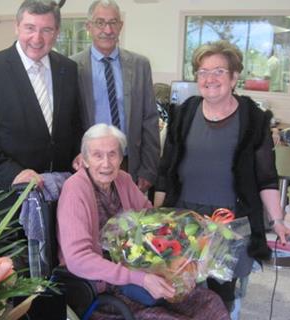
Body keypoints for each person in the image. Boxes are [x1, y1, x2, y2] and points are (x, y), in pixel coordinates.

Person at [154, 40, 290, 312]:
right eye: (203, 72)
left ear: (234, 76)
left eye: (218, 71)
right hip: (184, 218)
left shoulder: (253, 118)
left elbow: (266, 177)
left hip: (228, 222)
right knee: (178, 292)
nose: (209, 78)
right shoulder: (184, 113)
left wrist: (277, 220)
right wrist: (157, 215)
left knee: (220, 296)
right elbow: (166, 169)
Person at [57, 124, 230, 319]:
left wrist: (188, 256)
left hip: (142, 276)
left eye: (112, 154)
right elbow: (78, 259)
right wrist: (141, 279)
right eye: (97, 155)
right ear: (85, 160)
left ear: (121, 158)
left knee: (210, 304)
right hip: (104, 289)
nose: (106, 163)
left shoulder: (122, 179)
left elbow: (156, 223)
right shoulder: (75, 190)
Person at [0, 0, 82, 191]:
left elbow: (75, 123)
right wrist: (12, 173)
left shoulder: (68, 68)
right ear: (16, 27)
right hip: (8, 193)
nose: (37, 38)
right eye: (30, 28)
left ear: (57, 32)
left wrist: (78, 153)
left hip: (61, 190)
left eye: (46, 30)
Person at [71, 0, 159, 193]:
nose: (108, 30)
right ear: (89, 27)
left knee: (131, 219)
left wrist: (149, 168)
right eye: (100, 22)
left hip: (129, 162)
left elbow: (150, 119)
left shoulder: (140, 65)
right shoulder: (72, 66)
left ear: (120, 26)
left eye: (113, 22)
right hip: (89, 165)